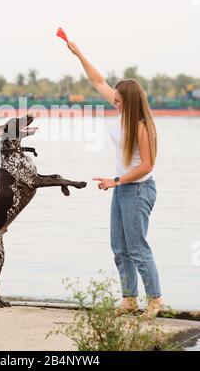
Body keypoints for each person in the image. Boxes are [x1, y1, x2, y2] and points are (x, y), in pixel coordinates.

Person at [67, 41, 163, 318]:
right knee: (119, 248)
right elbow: (98, 81)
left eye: (119, 100)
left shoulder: (142, 126)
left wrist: (117, 180)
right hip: (121, 189)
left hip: (137, 189)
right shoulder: (123, 113)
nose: (114, 102)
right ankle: (129, 299)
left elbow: (147, 165)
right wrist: (79, 54)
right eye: (115, 99)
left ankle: (155, 299)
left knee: (137, 247)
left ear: (130, 102)